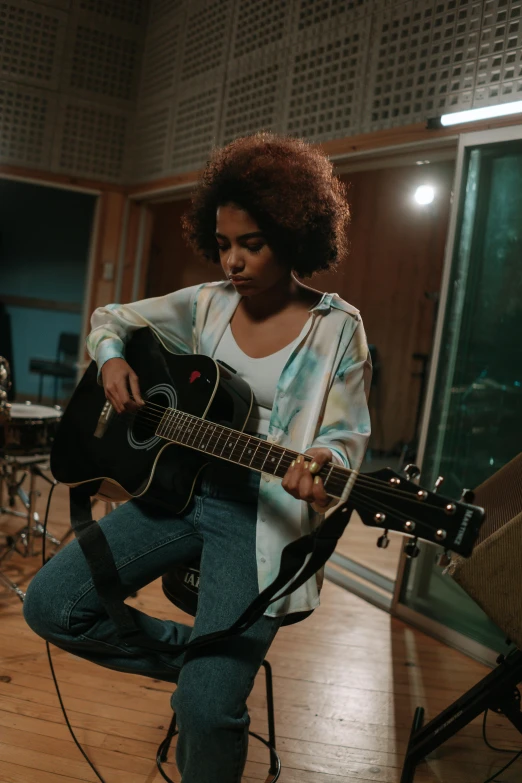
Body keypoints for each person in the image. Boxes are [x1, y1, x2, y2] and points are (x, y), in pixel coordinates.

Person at [23, 133, 372, 783]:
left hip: (259, 518)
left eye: (251, 243)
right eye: (223, 244)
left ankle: (212, 685)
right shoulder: (207, 303)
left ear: (293, 235)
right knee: (50, 605)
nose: (233, 260)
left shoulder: (337, 326)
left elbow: (349, 432)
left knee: (207, 711)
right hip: (178, 493)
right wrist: (114, 358)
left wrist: (320, 456)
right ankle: (203, 659)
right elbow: (111, 316)